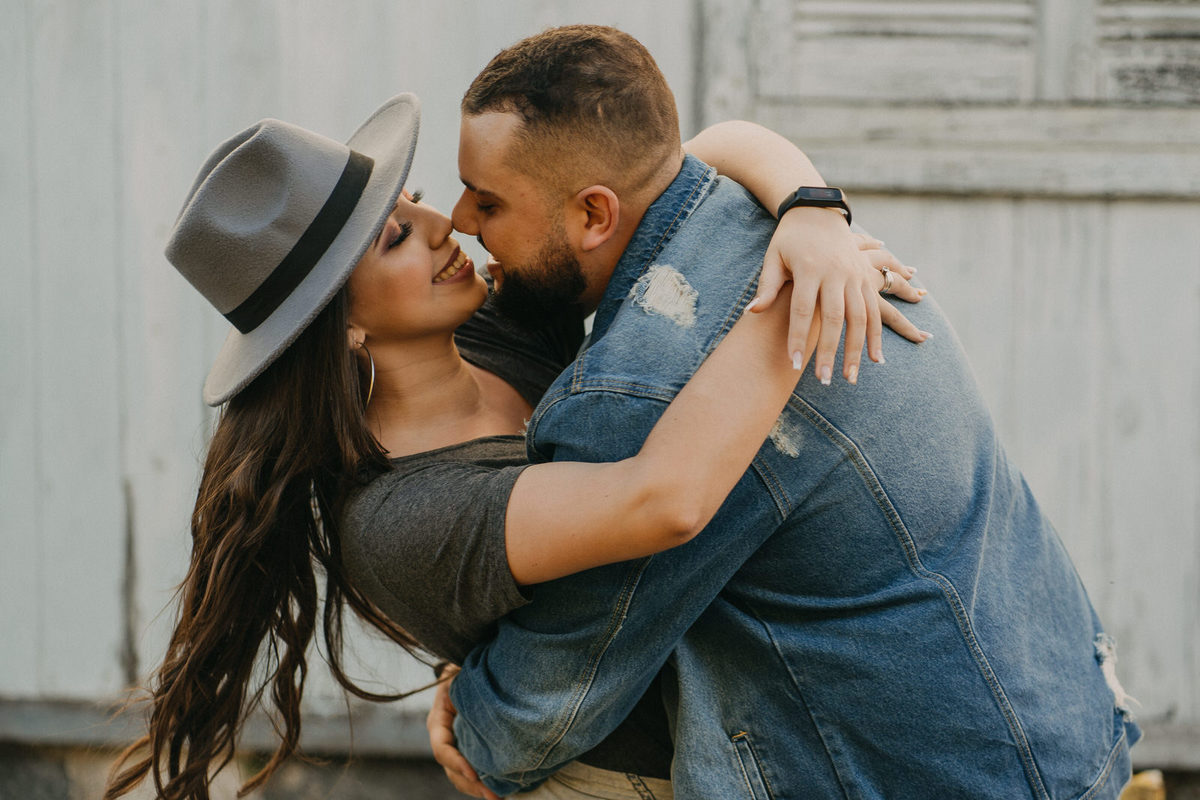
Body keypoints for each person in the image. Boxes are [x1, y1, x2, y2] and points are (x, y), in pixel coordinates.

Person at [101, 92, 922, 800]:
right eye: (394, 237)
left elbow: (686, 159)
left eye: (414, 200)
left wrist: (811, 212)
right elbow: (663, 500)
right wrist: (795, 293)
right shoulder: (399, 511)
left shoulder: (500, 330)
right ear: (342, 327)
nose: (443, 225)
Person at [428, 25, 1141, 800]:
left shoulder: (640, 393)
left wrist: (470, 714)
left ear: (596, 215)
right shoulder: (781, 230)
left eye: (488, 199)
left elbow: (556, 694)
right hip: (1060, 724)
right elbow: (723, 143)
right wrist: (808, 199)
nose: (461, 218)